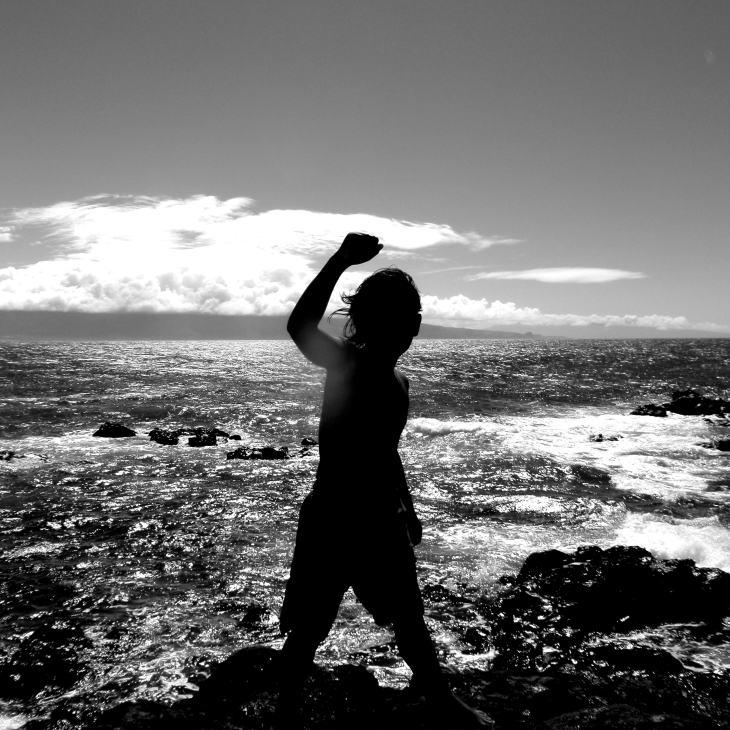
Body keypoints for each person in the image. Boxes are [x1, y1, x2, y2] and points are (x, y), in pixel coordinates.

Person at [275, 232, 489, 728]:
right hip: (333, 519)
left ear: (416, 323)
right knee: (309, 629)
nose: (406, 326)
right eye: (393, 316)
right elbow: (299, 325)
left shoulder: (400, 381)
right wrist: (340, 260)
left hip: (381, 519)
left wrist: (408, 508)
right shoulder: (347, 364)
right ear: (368, 321)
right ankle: (285, 719)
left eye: (410, 316)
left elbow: (385, 451)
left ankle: (444, 704)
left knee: (410, 619)